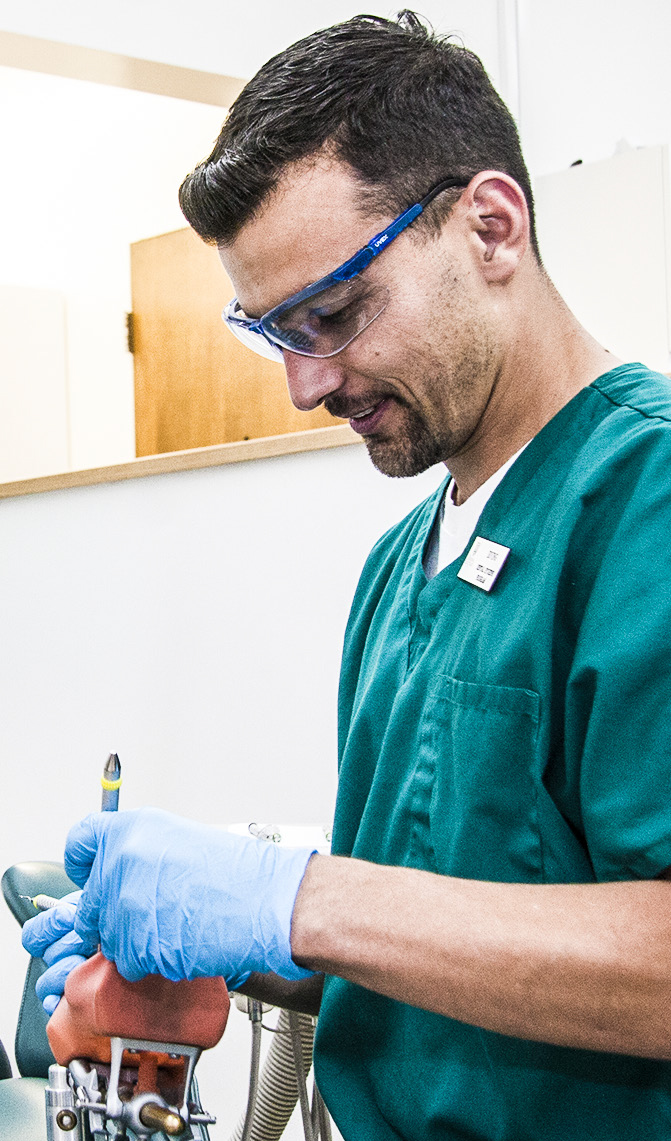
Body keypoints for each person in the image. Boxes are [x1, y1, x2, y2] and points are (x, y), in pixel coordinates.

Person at [23, 11, 671, 1139]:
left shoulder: (643, 501)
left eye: (333, 313)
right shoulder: (395, 572)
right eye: (273, 334)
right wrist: (243, 952)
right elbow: (442, 946)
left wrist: (296, 901)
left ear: (490, 227)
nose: (305, 385)